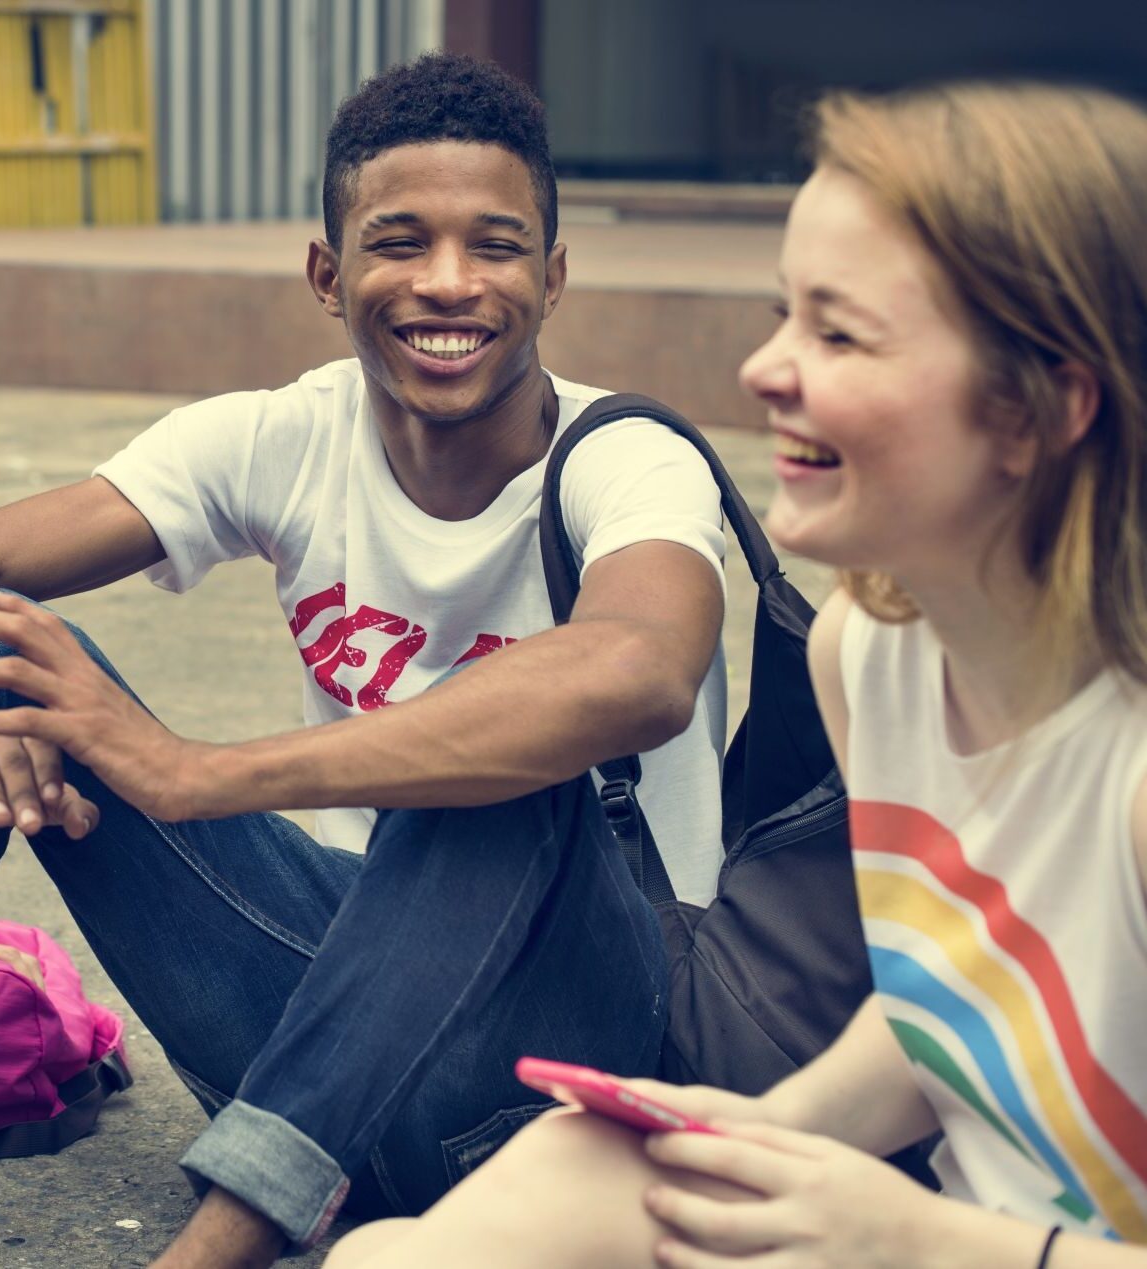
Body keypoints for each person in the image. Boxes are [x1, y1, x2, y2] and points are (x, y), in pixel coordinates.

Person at [0, 52, 730, 1269]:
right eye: (399, 242)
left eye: (495, 246)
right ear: (328, 272)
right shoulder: (282, 438)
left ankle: (211, 1249)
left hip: (573, 1077)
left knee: (499, 752)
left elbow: (636, 669)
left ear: (553, 275)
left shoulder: (624, 462)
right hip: (327, 1050)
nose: (448, 283)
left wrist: (195, 773)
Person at [324, 80, 1147, 1268]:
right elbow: (944, 1012)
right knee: (438, 1227)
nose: (764, 370)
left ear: (1039, 409)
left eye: (838, 334)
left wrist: (918, 1243)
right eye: (781, 316)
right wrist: (762, 1135)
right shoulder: (868, 656)